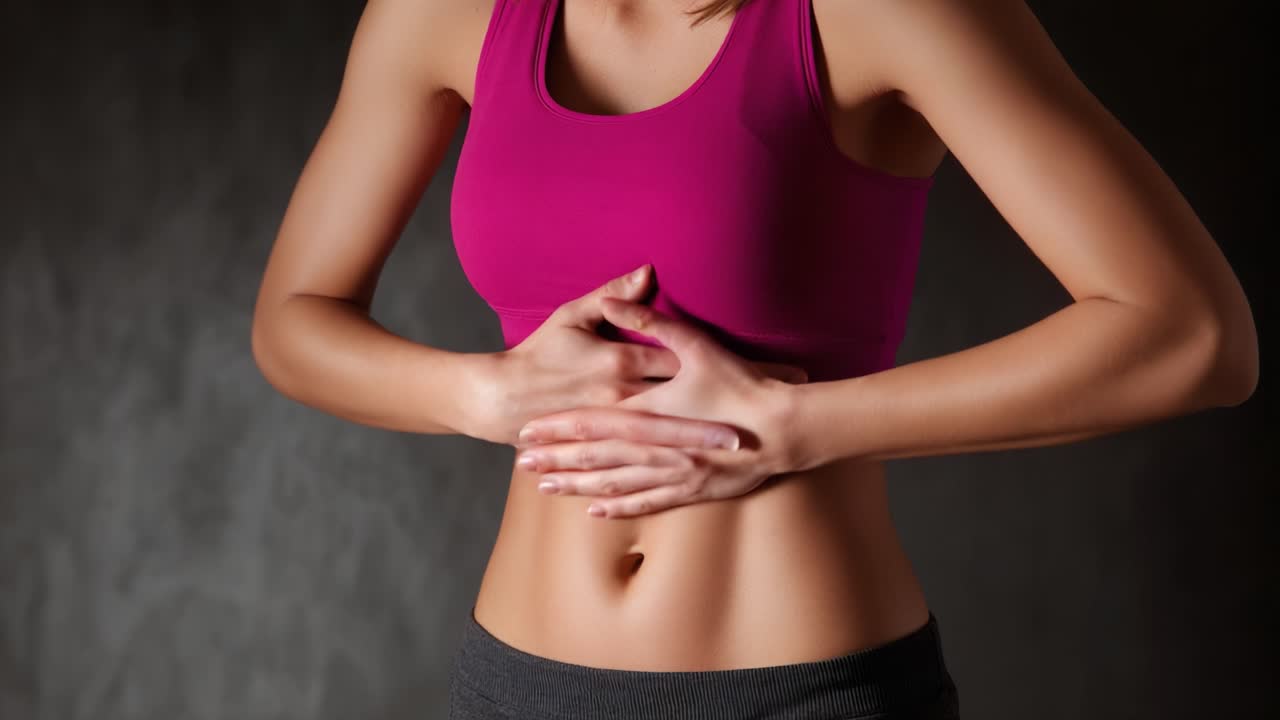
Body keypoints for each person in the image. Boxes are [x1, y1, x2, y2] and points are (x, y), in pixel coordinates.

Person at [250, 0, 1259, 717]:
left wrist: (792, 427)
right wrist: (483, 392)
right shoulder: (442, 12)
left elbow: (1189, 333)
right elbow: (294, 319)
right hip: (521, 683)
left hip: (799, 686)